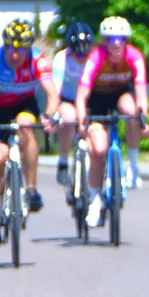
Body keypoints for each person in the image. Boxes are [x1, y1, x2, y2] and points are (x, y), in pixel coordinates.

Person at [0, 18, 58, 246]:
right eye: (10, 47)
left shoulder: (38, 60)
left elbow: (51, 94)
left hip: (24, 105)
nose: (15, 54)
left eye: (21, 49)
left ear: (29, 47)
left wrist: (49, 115)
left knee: (25, 128)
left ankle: (30, 189)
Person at [73, 15, 149, 228]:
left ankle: (133, 168)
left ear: (126, 40)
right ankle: (95, 199)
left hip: (120, 97)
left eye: (121, 38)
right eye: (110, 38)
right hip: (97, 103)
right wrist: (82, 122)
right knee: (98, 150)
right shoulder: (96, 57)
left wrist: (143, 120)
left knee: (132, 111)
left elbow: (141, 92)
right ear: (104, 41)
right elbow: (82, 95)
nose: (116, 43)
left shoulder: (134, 56)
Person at [50, 21, 94, 186]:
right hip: (68, 99)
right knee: (68, 118)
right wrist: (54, 114)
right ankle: (63, 160)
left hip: (90, 101)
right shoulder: (62, 58)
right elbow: (56, 87)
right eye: (78, 55)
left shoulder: (94, 57)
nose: (81, 58)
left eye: (85, 54)